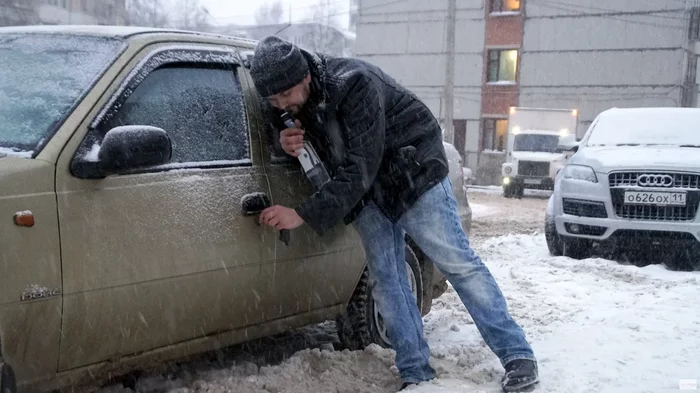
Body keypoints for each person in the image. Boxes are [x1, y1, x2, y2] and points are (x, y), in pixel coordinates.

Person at [250, 36, 538, 393]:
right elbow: (275, 115)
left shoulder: (354, 84)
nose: (282, 105)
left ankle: (517, 355)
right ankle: (415, 370)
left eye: (286, 96)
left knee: (458, 264)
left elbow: (361, 167)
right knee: (388, 279)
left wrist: (303, 214)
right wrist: (282, 134)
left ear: (306, 78)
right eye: (273, 99)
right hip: (366, 192)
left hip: (413, 176)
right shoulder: (287, 97)